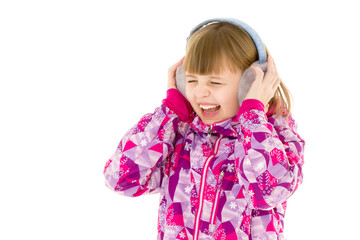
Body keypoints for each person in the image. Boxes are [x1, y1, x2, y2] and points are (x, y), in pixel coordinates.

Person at [103, 19, 305, 240]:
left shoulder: (277, 136)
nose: (199, 93)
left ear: (251, 84)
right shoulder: (178, 135)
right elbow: (121, 179)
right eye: (191, 80)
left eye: (215, 83)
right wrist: (168, 113)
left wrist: (252, 118)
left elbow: (271, 191)